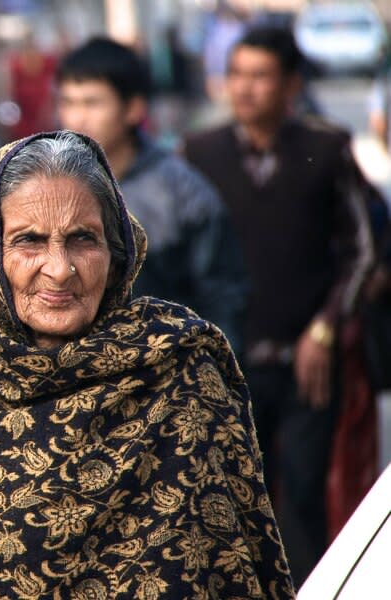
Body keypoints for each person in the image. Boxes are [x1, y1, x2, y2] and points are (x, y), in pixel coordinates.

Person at [0, 131, 294, 598]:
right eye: (29, 241)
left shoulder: (176, 364)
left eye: (83, 239)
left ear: (116, 250)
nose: (60, 269)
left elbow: (230, 563)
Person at [182, 27, 374, 585]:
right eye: (237, 73)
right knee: (234, 503)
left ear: (290, 84)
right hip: (229, 363)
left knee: (305, 497)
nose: (245, 88)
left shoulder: (327, 148)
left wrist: (326, 328)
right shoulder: (200, 154)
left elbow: (363, 251)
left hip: (308, 360)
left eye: (260, 75)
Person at [56, 36, 246, 351]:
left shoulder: (180, 190)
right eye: (68, 103)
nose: (77, 118)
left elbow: (221, 295)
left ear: (133, 108)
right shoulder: (47, 186)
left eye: (91, 103)